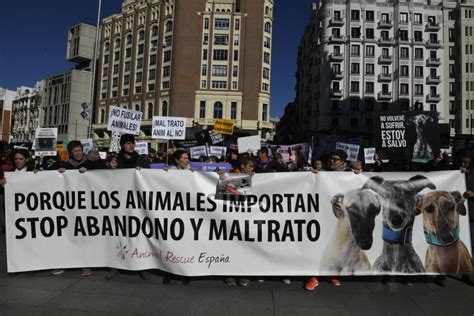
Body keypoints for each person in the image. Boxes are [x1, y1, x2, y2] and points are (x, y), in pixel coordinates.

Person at [107, 134, 150, 280]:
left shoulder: (142, 159)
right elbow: (107, 180)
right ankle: (116, 265)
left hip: (137, 203)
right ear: (122, 145)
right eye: (128, 143)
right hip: (120, 203)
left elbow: (150, 178)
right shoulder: (115, 160)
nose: (131, 145)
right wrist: (111, 168)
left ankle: (141, 266)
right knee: (118, 233)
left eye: (133, 143)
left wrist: (142, 172)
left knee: (138, 233)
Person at [305, 150, 345, 290]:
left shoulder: (348, 177)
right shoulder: (320, 174)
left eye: (336, 159)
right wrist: (311, 175)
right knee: (318, 246)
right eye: (331, 159)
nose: (332, 161)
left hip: (337, 220)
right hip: (320, 218)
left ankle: (332, 275)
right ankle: (314, 277)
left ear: (342, 162)